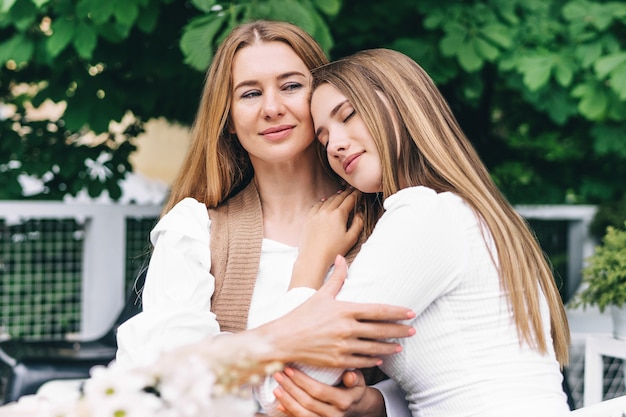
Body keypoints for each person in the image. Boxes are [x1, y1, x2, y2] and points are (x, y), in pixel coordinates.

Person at [115, 22, 415, 417]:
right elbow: (156, 384)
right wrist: (287, 333)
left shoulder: (394, 216)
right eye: (251, 93)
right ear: (228, 117)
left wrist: (377, 403)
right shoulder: (195, 231)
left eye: (291, 86)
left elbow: (452, 360)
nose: (272, 108)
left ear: (321, 96)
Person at [263, 48, 571, 417]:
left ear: (401, 106)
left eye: (347, 115)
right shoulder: (462, 211)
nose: (336, 145)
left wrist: (309, 263)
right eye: (324, 138)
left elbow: (282, 386)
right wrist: (375, 402)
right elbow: (465, 369)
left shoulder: (424, 215)